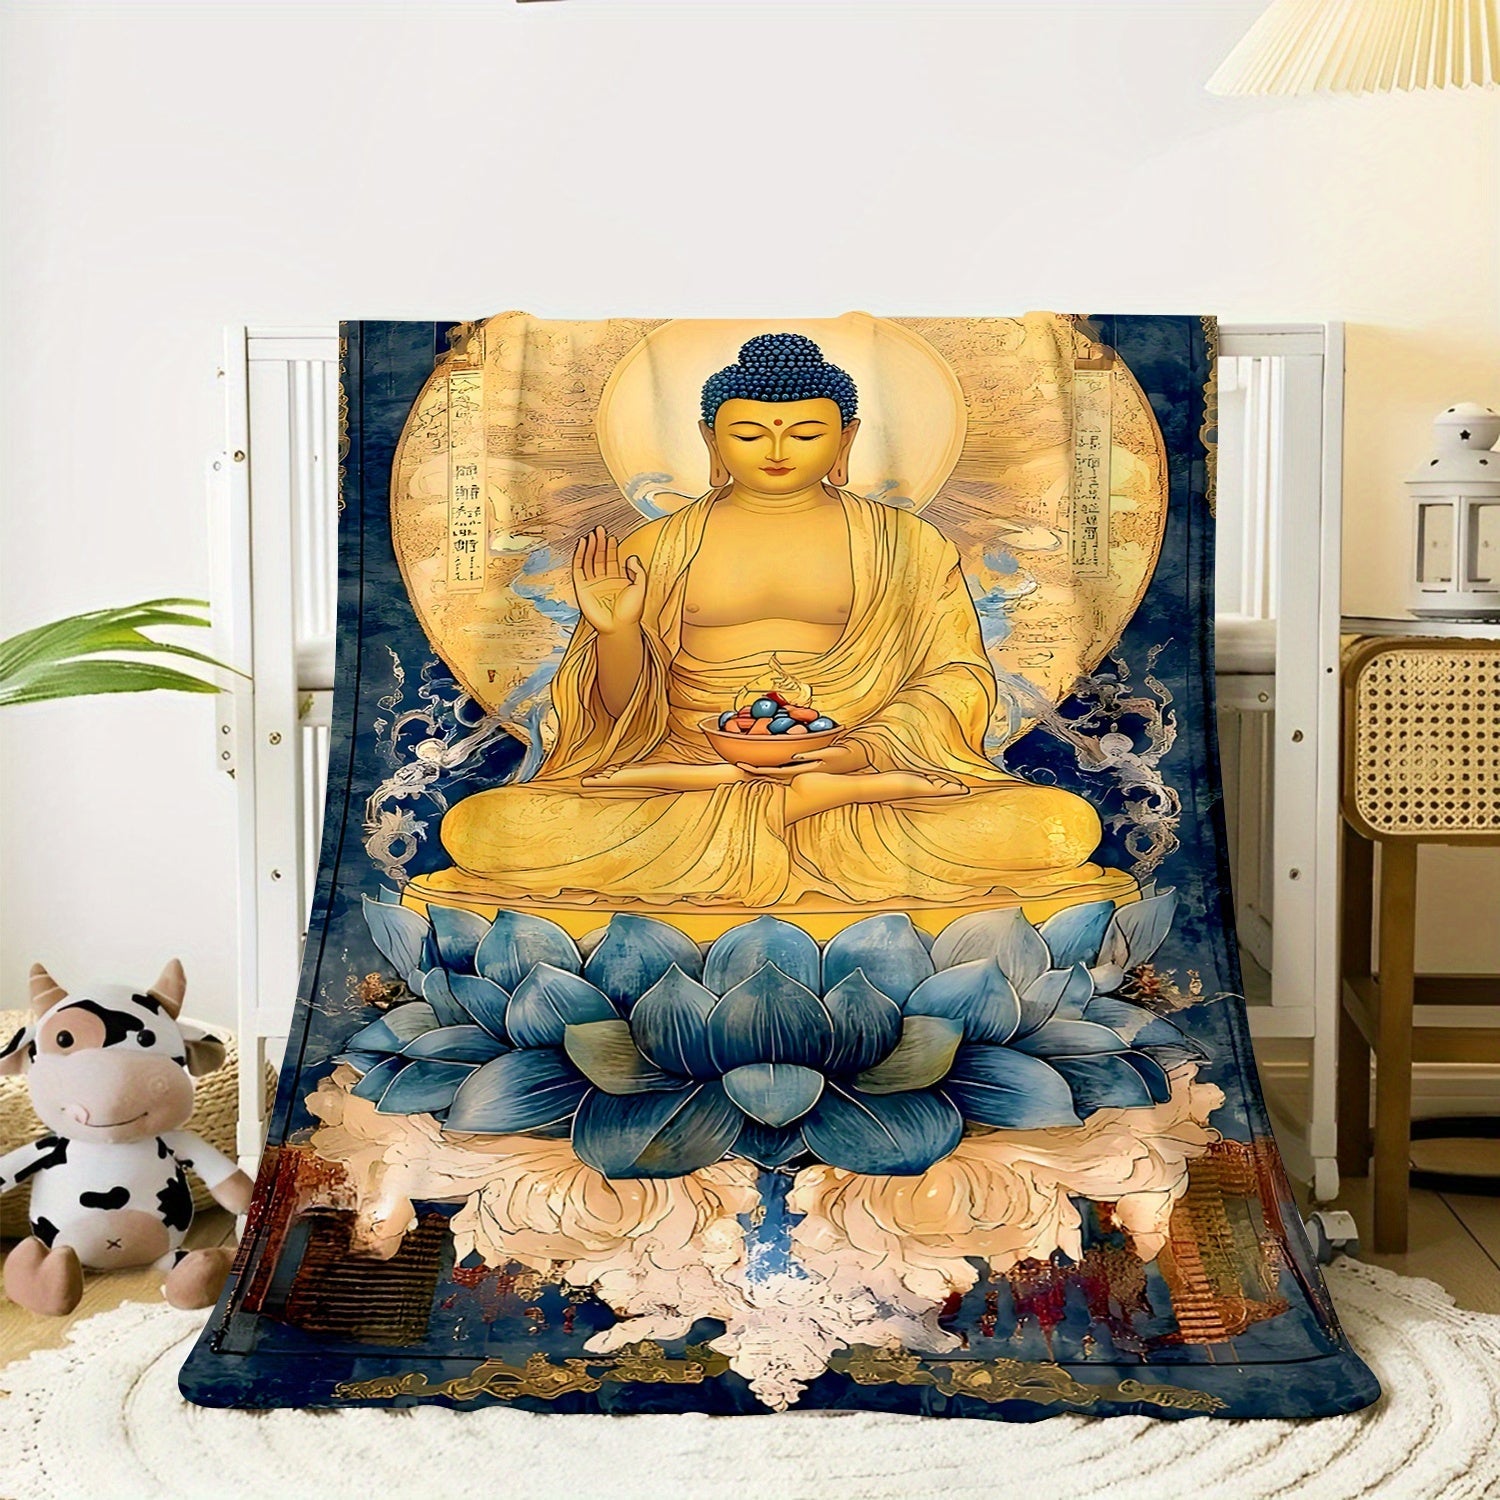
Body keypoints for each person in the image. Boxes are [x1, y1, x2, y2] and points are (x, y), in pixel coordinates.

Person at [425, 334, 1109, 910]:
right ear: (711, 439)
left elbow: (955, 678)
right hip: (688, 769)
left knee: (1059, 825)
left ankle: (789, 804)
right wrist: (616, 632)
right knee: (485, 828)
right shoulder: (655, 548)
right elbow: (617, 715)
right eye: (748, 432)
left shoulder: (908, 545)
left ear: (846, 438)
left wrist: (863, 751)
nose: (777, 449)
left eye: (806, 433)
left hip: (857, 772)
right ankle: (786, 805)